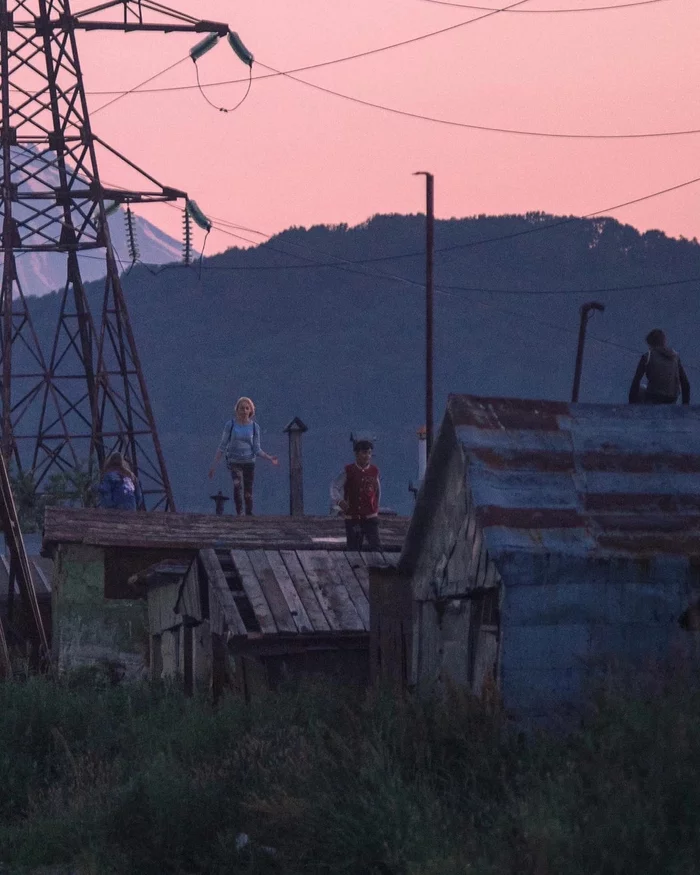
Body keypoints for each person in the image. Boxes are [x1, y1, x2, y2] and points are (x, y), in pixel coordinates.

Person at [208, 396, 278, 516]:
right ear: (237, 410)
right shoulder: (230, 425)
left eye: (247, 408)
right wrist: (214, 465)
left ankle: (249, 513)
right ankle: (240, 512)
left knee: (248, 490)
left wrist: (269, 457)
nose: (244, 411)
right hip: (234, 461)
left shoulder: (255, 427)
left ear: (251, 410)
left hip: (249, 462)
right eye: (242, 408)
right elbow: (223, 445)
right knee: (237, 485)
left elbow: (256, 448)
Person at [330, 439, 382, 551]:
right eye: (364, 453)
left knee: (376, 547)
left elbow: (377, 491)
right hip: (353, 518)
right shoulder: (348, 471)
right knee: (354, 549)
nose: (367, 456)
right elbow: (334, 487)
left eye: (369, 453)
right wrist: (339, 501)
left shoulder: (374, 471)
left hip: (370, 517)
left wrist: (375, 508)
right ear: (356, 454)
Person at [628, 329, 690, 405]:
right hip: (672, 398)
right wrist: (685, 405)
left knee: (640, 388)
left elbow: (636, 381)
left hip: (654, 397)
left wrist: (631, 403)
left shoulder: (648, 356)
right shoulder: (675, 357)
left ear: (651, 344)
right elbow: (685, 383)